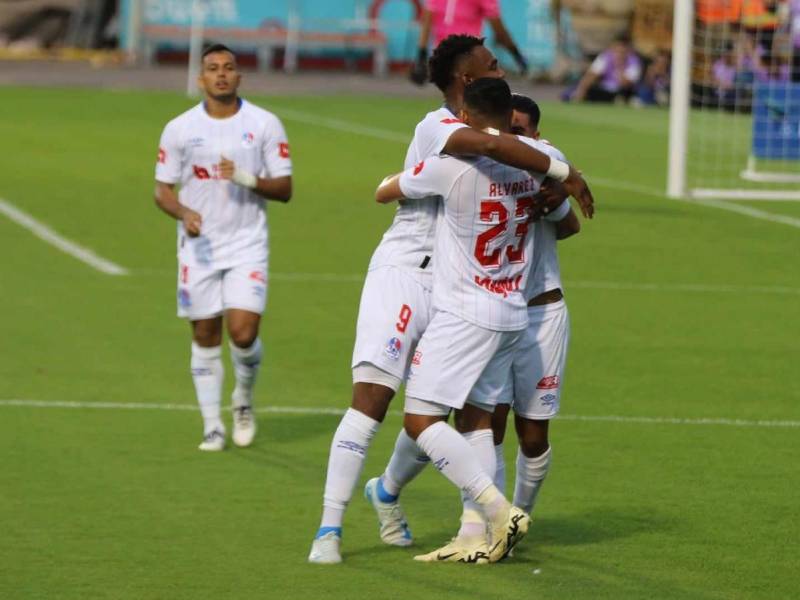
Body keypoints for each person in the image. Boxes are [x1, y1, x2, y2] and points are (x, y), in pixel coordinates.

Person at [308, 34, 595, 565]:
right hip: (407, 273)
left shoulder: (509, 146)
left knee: (459, 413)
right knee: (375, 399)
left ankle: (416, 503)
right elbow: (488, 145)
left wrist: (552, 185)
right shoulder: (438, 128)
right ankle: (329, 529)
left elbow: (395, 183)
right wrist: (560, 171)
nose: (499, 67)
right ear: (467, 82)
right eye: (490, 64)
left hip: (461, 287)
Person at [364, 93, 581, 561]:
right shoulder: (540, 167)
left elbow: (384, 190)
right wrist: (563, 181)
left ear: (464, 119)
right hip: (509, 311)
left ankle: (500, 510)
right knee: (480, 423)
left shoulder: (454, 167)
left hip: (465, 311)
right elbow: (563, 207)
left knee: (422, 420)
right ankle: (472, 533)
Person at [154, 44, 292, 452]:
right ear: (201, 79)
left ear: (238, 77)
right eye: (212, 68)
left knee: (244, 333)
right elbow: (162, 188)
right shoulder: (179, 128)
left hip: (247, 244)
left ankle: (243, 400)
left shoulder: (264, 124)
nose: (220, 74)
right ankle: (212, 424)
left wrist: (247, 178)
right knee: (205, 332)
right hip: (199, 250)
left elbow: (285, 188)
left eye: (228, 68)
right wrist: (183, 212)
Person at [410, 0, 528, 85]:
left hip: (449, 55)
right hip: (463, 55)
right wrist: (517, 55)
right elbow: (499, 31)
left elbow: (427, 23)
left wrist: (421, 56)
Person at [565, 34, 642, 104]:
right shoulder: (606, 56)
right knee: (588, 88)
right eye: (617, 49)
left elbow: (626, 83)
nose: (618, 53)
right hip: (605, 89)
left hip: (623, 91)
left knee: (625, 93)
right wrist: (581, 91)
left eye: (622, 50)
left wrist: (620, 66)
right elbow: (591, 75)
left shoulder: (634, 61)